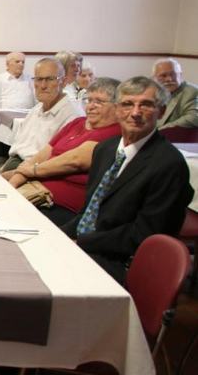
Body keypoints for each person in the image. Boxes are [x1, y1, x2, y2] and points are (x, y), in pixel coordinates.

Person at [62, 77, 193, 285]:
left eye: (146, 105)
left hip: (121, 262)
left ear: (161, 111)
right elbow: (88, 211)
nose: (135, 113)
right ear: (116, 109)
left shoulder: (169, 165)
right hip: (86, 246)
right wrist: (58, 236)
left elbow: (145, 234)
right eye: (127, 104)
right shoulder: (105, 149)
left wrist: (81, 242)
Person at [5, 78, 121, 226]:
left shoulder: (114, 132)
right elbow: (40, 156)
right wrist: (11, 187)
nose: (91, 106)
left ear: (117, 107)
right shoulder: (77, 123)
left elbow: (75, 161)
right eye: (89, 100)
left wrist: (31, 171)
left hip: (60, 205)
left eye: (99, 102)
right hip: (34, 189)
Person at [0, 57, 84, 172]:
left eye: (50, 79)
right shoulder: (36, 109)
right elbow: (17, 149)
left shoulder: (73, 116)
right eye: (39, 79)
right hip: (14, 164)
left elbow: (58, 163)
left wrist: (11, 175)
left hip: (36, 172)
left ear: (64, 82)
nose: (43, 85)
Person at [153, 57, 198, 129]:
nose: (169, 79)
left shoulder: (193, 91)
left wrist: (160, 130)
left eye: (173, 74)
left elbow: (193, 118)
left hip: (172, 134)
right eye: (163, 75)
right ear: (155, 78)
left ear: (180, 75)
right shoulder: (153, 91)